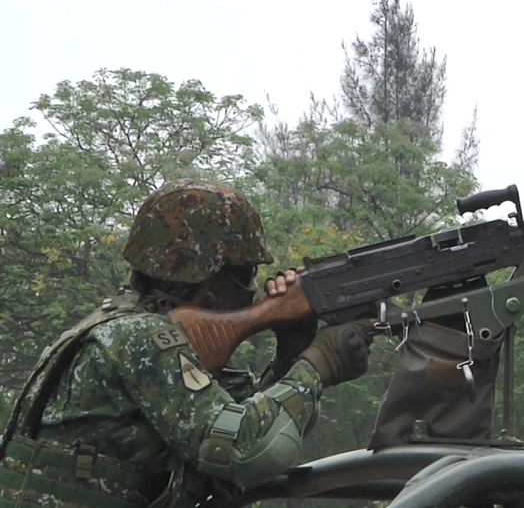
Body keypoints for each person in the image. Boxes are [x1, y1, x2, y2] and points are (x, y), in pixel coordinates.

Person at [0, 178, 374, 508]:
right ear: (204, 278)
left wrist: (290, 355)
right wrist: (319, 362)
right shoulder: (140, 339)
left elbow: (228, 442)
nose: (255, 289)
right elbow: (246, 451)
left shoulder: (115, 325)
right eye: (245, 274)